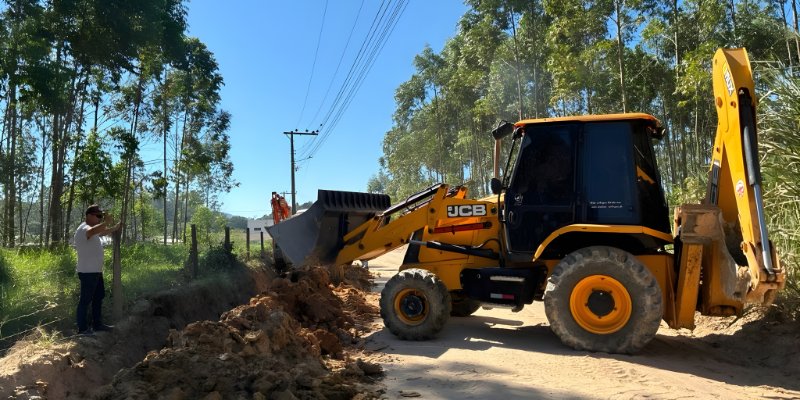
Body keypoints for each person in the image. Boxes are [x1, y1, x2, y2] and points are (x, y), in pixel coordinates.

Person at [74, 204, 121, 335]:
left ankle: (97, 324)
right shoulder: (84, 229)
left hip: (95, 272)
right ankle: (82, 329)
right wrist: (106, 222)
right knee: (85, 300)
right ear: (89, 215)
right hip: (88, 272)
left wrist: (115, 227)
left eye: (101, 216)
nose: (100, 218)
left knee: (98, 298)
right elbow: (93, 231)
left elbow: (102, 231)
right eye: (98, 216)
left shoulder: (92, 229)